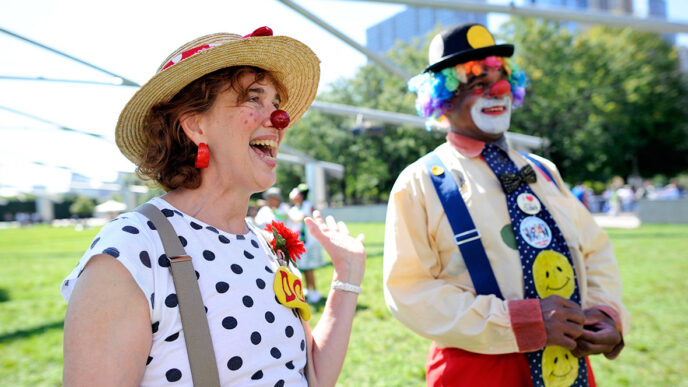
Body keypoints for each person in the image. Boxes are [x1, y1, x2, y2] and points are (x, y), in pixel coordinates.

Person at [61, 27, 366, 386]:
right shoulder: (131, 249)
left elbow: (309, 375)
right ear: (195, 125)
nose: (280, 120)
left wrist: (347, 275)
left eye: (276, 103)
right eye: (254, 98)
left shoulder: (268, 244)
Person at [383, 23, 629, 386]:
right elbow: (408, 291)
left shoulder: (544, 171)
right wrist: (518, 322)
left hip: (566, 367)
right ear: (444, 98)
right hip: (477, 371)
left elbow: (595, 251)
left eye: (501, 80)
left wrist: (606, 313)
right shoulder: (419, 181)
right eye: (477, 84)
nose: (497, 91)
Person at [287, 184, 327, 303]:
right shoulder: (293, 209)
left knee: (309, 268)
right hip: (298, 243)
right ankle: (307, 290)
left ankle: (314, 291)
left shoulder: (308, 206)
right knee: (302, 268)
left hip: (308, 242)